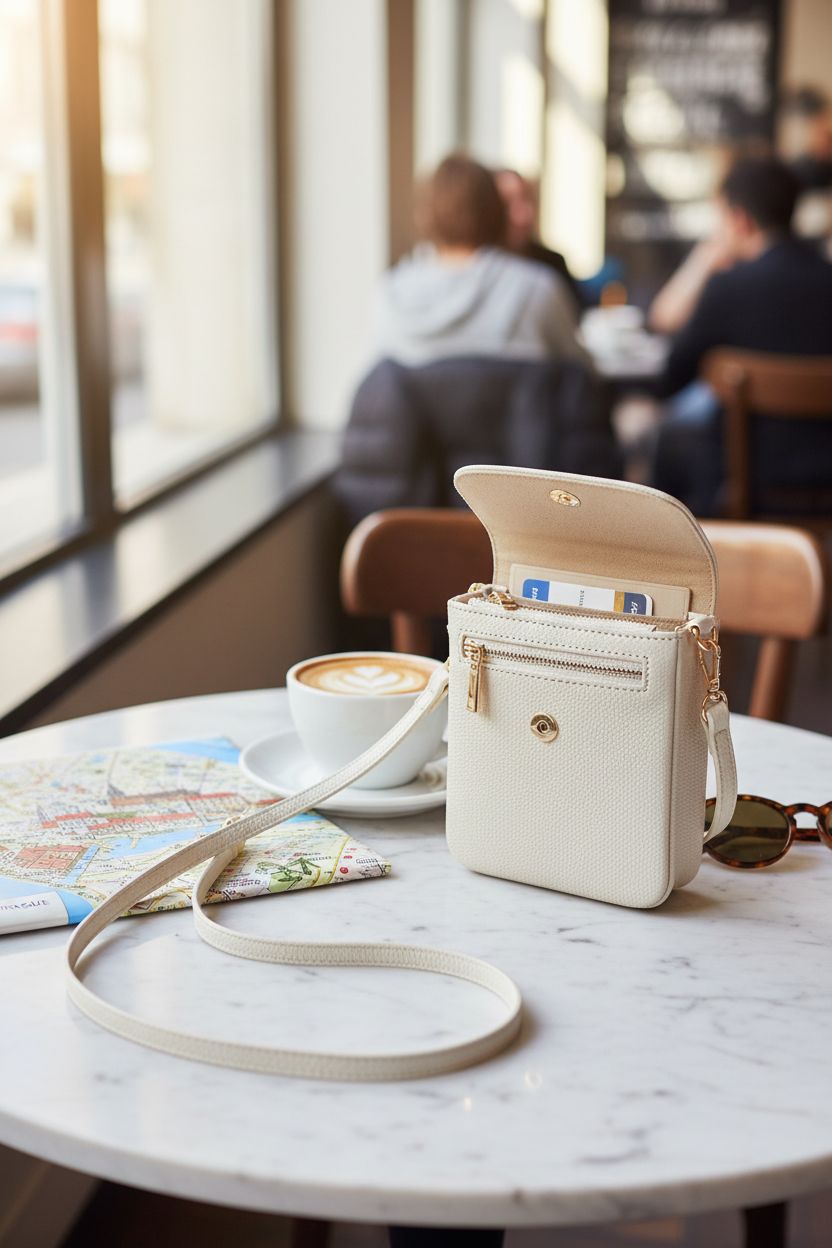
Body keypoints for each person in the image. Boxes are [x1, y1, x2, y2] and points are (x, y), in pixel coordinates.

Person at [651, 155, 832, 514]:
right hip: (826, 469)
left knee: (667, 440)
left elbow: (669, 380)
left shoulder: (730, 288)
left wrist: (704, 261)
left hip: (744, 477)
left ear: (739, 220)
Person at [373, 154, 588, 368]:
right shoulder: (536, 290)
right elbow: (581, 370)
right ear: (497, 211)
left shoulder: (390, 296)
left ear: (424, 215)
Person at [494, 167, 586, 313]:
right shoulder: (475, 271)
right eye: (509, 203)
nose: (524, 215)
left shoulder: (552, 264)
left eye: (528, 200)